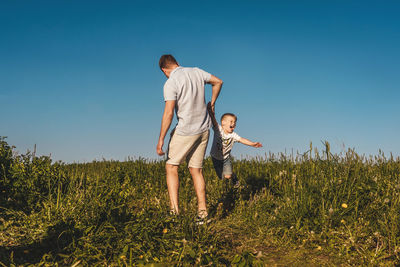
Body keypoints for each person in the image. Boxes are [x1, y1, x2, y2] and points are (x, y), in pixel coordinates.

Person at [156, 54, 223, 223]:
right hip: (204, 129)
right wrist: (212, 103)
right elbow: (218, 82)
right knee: (196, 170)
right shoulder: (196, 72)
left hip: (186, 130)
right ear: (176, 63)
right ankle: (203, 213)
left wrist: (161, 139)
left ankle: (174, 212)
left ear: (164, 70)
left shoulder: (171, 82)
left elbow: (169, 112)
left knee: (171, 166)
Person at [207, 102, 262, 188]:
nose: (234, 124)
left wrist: (252, 144)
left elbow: (242, 140)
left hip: (226, 158)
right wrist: (210, 112)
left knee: (228, 176)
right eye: (231, 121)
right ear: (223, 122)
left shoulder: (233, 135)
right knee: (222, 178)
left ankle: (234, 179)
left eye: (235, 122)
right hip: (215, 158)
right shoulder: (218, 129)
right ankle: (228, 189)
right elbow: (213, 120)